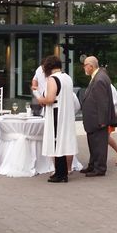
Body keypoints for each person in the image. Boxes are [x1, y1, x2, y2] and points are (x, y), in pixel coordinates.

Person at [37, 55, 77, 183]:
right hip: (66, 114)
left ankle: (60, 174)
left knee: (56, 142)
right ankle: (63, 172)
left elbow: (50, 99)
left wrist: (40, 99)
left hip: (56, 113)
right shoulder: (67, 77)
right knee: (63, 141)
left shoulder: (52, 79)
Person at [80, 56, 115, 177]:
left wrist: (102, 120)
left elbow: (102, 102)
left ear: (91, 66)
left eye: (85, 65)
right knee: (93, 143)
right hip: (93, 119)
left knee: (98, 143)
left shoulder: (99, 78)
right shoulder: (98, 76)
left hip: (97, 120)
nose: (84, 67)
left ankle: (99, 168)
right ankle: (93, 165)